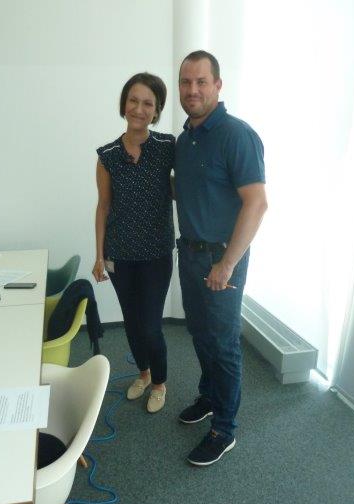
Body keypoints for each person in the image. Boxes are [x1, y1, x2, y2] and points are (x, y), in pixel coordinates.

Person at [175, 50, 267, 466]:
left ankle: (224, 429)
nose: (192, 90)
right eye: (185, 82)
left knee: (224, 343)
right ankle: (210, 397)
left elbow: (256, 203)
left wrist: (226, 264)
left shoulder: (236, 135)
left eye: (200, 81)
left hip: (221, 259)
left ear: (217, 85)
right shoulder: (185, 140)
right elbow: (193, 191)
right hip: (190, 254)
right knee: (199, 333)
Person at [92, 72, 175, 413]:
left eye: (148, 104)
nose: (139, 109)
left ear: (156, 110)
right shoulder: (108, 155)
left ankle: (159, 383)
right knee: (131, 321)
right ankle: (143, 374)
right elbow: (103, 206)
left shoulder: (167, 147)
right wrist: (99, 255)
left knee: (151, 326)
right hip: (120, 255)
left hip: (156, 253)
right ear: (124, 104)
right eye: (133, 101)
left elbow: (183, 187)